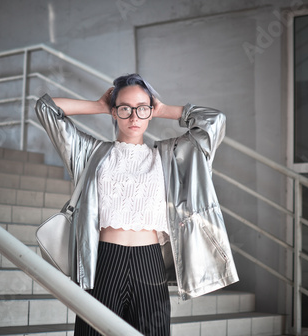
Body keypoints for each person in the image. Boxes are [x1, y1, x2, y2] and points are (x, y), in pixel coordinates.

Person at [35, 73, 238, 335]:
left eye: (142, 109)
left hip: (150, 267)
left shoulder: (169, 157)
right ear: (114, 111)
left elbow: (214, 121)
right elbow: (46, 109)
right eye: (125, 109)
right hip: (104, 264)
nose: (133, 117)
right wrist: (98, 105)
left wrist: (164, 109)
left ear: (150, 111)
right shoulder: (89, 152)